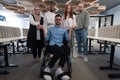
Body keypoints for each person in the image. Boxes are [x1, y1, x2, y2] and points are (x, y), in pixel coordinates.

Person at [42, 14, 75, 80]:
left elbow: (68, 39)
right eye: (56, 19)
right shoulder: (50, 29)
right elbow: (46, 39)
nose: (58, 20)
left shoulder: (64, 30)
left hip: (60, 45)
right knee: (60, 50)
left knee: (67, 48)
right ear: (55, 20)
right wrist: (43, 29)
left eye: (59, 19)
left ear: (61, 21)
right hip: (52, 45)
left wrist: (70, 29)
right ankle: (48, 67)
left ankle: (59, 69)